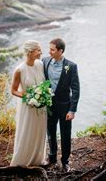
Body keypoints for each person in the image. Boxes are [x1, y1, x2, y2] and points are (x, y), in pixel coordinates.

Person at [42, 38, 80, 172]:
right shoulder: (45, 62)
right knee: (50, 132)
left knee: (65, 135)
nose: (49, 52)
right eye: (49, 49)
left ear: (60, 51)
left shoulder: (71, 66)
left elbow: (76, 89)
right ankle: (51, 157)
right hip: (50, 106)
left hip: (65, 107)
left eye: (52, 49)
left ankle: (65, 161)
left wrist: (72, 110)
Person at [10, 40, 47, 166]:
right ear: (30, 52)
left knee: (39, 131)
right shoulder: (19, 70)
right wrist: (28, 96)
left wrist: (42, 95)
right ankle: (22, 161)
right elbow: (14, 90)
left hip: (41, 106)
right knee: (27, 131)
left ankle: (38, 159)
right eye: (38, 50)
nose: (40, 53)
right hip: (28, 106)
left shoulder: (40, 65)